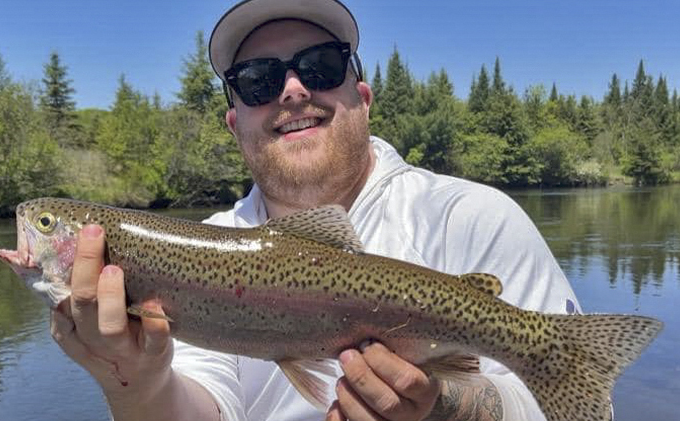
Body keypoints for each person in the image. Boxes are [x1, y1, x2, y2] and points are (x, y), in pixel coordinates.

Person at [50, 0, 581, 420]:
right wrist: (136, 381)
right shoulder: (206, 250)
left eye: (321, 67)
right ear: (235, 124)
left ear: (364, 98)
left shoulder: (470, 216)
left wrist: (449, 409)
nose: (293, 90)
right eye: (259, 80)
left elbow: (587, 413)